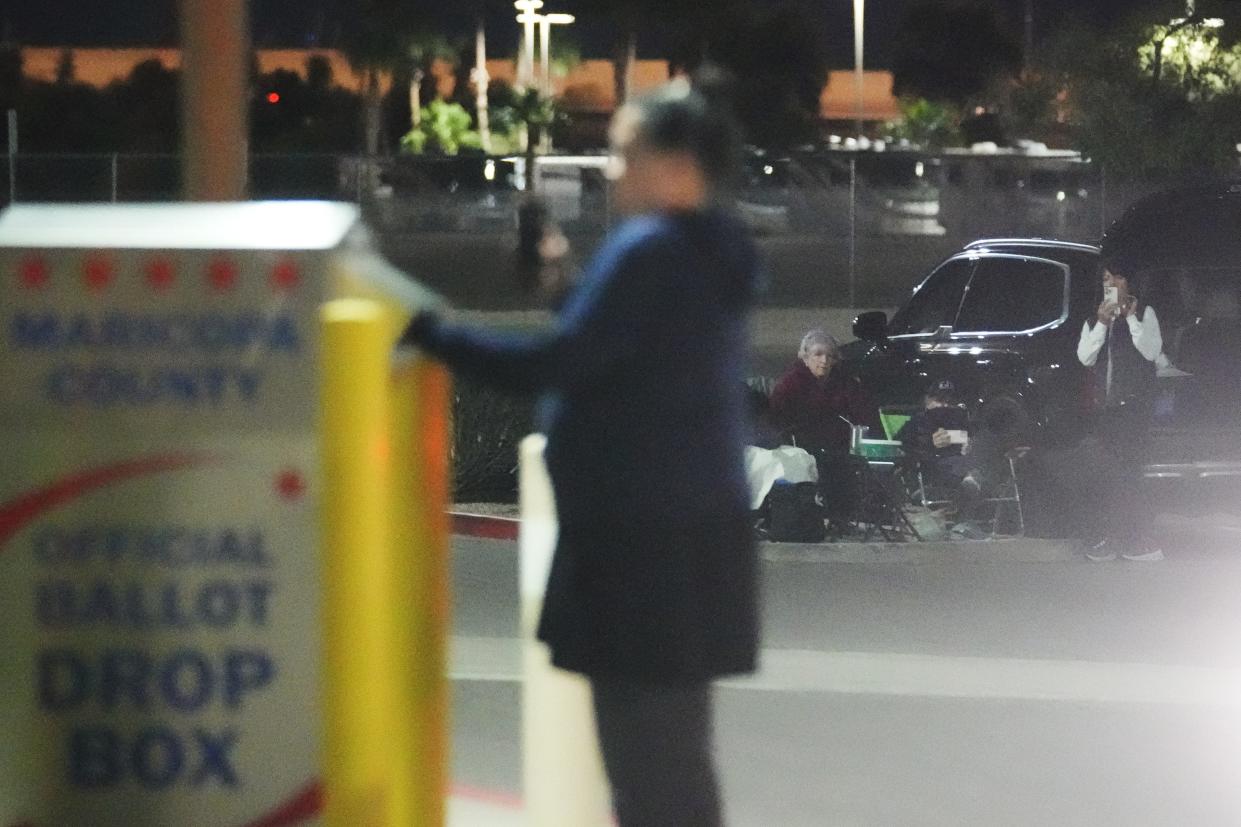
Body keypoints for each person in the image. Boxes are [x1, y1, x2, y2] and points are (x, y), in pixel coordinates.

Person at [403, 71, 758, 825]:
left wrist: (429, 333)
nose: (611, 169)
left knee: (646, 771)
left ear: (674, 162)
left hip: (639, 553)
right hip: (686, 546)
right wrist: (562, 282)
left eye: (624, 153)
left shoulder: (654, 251)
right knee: (674, 764)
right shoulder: (709, 247)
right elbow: (620, 352)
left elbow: (557, 364)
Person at [1076, 264, 1164, 561]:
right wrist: (1102, 322)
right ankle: (1113, 539)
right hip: (1106, 410)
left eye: (1116, 277)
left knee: (1130, 476)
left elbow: (1151, 351)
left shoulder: (1144, 313)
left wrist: (1130, 318)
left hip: (1134, 410)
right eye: (1104, 278)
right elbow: (1086, 357)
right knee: (1108, 476)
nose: (1109, 283)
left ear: (1128, 281)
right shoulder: (1095, 317)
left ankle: (1140, 542)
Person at [768, 328, 878, 524]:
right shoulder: (790, 384)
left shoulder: (845, 381)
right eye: (818, 354)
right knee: (831, 462)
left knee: (852, 461)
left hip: (839, 442)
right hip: (801, 443)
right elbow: (777, 418)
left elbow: (864, 411)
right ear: (805, 357)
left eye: (830, 356)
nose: (824, 361)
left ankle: (849, 517)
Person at [896, 378, 986, 506]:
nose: (944, 405)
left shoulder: (959, 419)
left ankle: (971, 484)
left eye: (948, 401)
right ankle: (970, 482)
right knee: (967, 468)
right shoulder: (918, 421)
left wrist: (966, 440)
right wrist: (928, 442)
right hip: (931, 468)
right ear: (927, 400)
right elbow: (902, 443)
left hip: (961, 466)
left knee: (979, 456)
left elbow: (976, 436)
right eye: (939, 400)